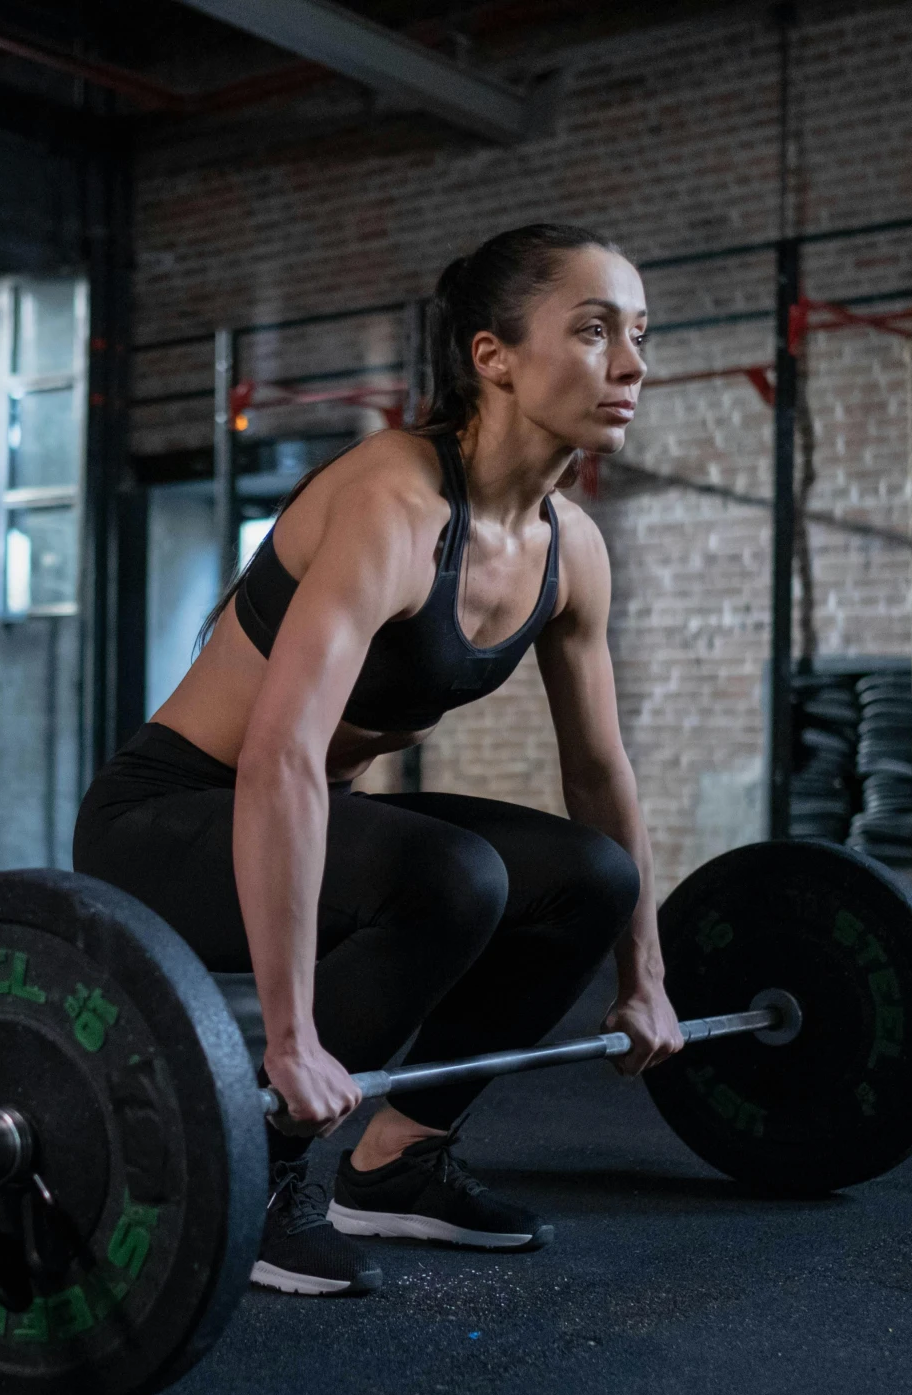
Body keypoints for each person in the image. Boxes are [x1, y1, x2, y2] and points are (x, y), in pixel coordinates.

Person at [73, 223, 682, 1296]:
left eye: (636, 333)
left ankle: (396, 1160)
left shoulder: (569, 549)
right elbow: (280, 758)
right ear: (492, 356)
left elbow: (599, 773)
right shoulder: (390, 503)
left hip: (304, 810)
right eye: (593, 332)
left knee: (590, 875)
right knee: (451, 877)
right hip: (166, 821)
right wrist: (291, 1041)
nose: (631, 365)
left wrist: (644, 978)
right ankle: (257, 1172)